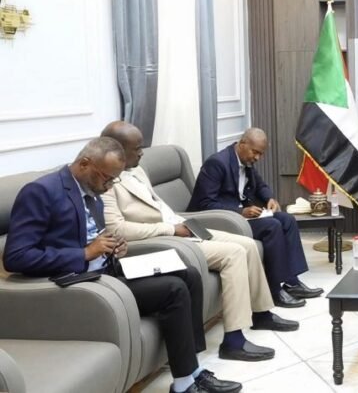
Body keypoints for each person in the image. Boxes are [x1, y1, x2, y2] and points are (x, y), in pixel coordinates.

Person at [3, 137, 241, 393]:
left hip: (107, 271)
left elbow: (94, 236)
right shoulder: (41, 192)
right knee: (173, 289)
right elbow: (17, 256)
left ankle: (193, 370)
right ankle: (183, 385)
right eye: (107, 179)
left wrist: (115, 248)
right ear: (85, 164)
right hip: (78, 284)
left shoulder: (92, 191)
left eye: (113, 180)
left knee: (189, 274)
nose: (108, 187)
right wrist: (84, 253)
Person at [100, 121, 298, 363]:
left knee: (247, 244)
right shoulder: (106, 182)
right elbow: (117, 229)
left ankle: (261, 314)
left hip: (181, 225)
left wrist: (180, 223)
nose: (142, 153)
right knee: (234, 254)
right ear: (118, 149)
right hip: (162, 238)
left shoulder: (137, 170)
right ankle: (234, 341)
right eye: (137, 148)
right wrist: (171, 228)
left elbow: (158, 207)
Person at [187, 128, 322, 308]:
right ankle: (274, 291)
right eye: (255, 152)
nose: (257, 157)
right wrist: (240, 211)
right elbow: (204, 204)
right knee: (272, 226)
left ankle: (292, 283)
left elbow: (260, 186)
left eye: (261, 154)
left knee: (287, 220)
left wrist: (270, 198)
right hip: (219, 220)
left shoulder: (246, 161)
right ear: (242, 144)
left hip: (238, 217)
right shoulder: (217, 163)